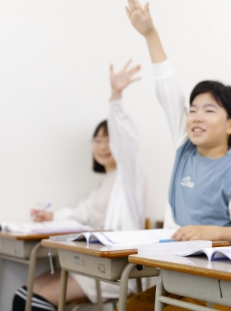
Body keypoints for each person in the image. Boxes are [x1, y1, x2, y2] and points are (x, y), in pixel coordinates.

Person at [124, 0, 231, 310]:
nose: (196, 117)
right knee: (133, 306)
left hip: (218, 280)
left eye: (209, 111)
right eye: (193, 110)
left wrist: (212, 232)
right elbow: (167, 87)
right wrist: (150, 33)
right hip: (175, 274)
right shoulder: (184, 144)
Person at [12, 61, 146, 311]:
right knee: (23, 295)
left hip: (114, 271)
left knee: (33, 301)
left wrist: (115, 97)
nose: (102, 146)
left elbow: (127, 142)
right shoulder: (103, 184)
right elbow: (82, 213)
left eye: (109, 140)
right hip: (90, 264)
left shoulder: (129, 177)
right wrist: (51, 216)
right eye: (97, 140)